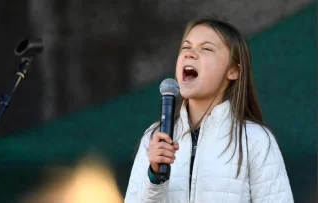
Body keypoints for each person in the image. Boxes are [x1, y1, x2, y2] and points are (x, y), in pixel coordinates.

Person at [124, 18, 294, 203]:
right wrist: (155, 177)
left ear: (233, 71)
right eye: (185, 47)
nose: (190, 54)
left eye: (206, 48)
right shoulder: (154, 137)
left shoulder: (255, 140)